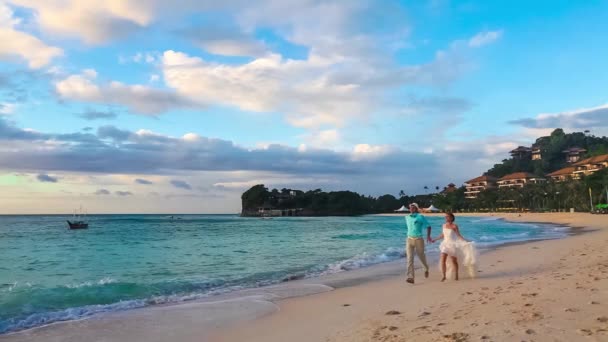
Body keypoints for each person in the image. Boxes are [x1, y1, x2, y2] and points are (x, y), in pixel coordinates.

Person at [432, 212, 477, 281]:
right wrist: (435, 239)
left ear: (451, 218)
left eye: (447, 217)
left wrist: (466, 240)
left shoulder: (454, 226)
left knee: (454, 261)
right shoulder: (444, 225)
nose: (446, 218)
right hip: (445, 244)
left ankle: (456, 275)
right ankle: (444, 276)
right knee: (443, 259)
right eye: (445, 217)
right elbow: (443, 235)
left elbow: (458, 235)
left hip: (452, 244)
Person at [404, 203, 432, 284]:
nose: (411, 209)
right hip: (409, 239)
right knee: (409, 259)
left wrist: (428, 236)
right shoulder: (406, 217)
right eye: (410, 208)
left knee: (421, 257)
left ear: (416, 209)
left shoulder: (420, 217)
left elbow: (428, 226)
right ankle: (411, 277)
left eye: (413, 208)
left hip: (419, 239)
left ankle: (426, 268)